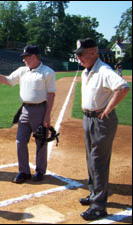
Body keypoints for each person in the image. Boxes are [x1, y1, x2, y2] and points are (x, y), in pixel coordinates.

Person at [0, 45, 56, 184]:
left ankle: (40, 171)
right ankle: (24, 171)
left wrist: (47, 116)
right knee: (20, 141)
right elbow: (7, 80)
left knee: (41, 141)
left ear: (33, 57)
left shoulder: (47, 72)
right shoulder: (22, 71)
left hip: (40, 110)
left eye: (25, 57)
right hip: (25, 110)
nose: (23, 60)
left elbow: (51, 95)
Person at [74, 38, 130, 221]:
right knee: (91, 159)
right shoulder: (86, 71)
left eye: (81, 54)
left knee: (98, 161)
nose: (79, 57)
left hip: (101, 120)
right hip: (88, 118)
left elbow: (123, 87)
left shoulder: (104, 70)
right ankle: (93, 194)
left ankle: (98, 206)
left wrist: (108, 109)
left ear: (92, 52)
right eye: (78, 54)